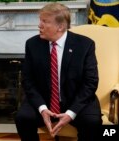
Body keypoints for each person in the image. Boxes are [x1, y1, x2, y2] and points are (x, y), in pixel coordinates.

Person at [15, 2, 102, 141]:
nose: (39, 25)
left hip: (77, 100)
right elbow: (28, 80)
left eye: (45, 21)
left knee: (92, 123)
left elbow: (90, 82)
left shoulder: (85, 45)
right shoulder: (32, 44)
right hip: (44, 100)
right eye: (40, 20)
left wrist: (71, 113)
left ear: (60, 26)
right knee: (23, 118)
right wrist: (42, 108)